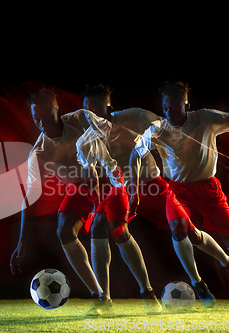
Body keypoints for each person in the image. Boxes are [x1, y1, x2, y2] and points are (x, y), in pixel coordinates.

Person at [129, 81, 229, 309]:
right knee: (178, 230)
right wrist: (134, 191)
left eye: (173, 106)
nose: (168, 111)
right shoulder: (157, 130)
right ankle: (198, 283)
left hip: (209, 189)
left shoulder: (205, 118)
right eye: (165, 107)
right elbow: (135, 154)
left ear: (186, 104)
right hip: (177, 190)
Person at [9, 87, 107, 315]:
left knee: (109, 229)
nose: (41, 121)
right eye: (36, 117)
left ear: (58, 110)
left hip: (108, 180)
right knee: (64, 231)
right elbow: (30, 198)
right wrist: (22, 244)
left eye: (45, 114)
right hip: (81, 189)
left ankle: (145, 289)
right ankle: (99, 295)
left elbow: (110, 135)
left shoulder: (81, 120)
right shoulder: (39, 152)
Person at [76, 84, 163, 315]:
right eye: (87, 109)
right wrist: (93, 193)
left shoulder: (130, 117)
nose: (90, 114)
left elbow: (159, 122)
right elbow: (90, 169)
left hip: (146, 183)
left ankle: (146, 292)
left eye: (95, 109)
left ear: (108, 108)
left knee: (117, 228)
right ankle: (108, 299)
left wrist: (153, 132)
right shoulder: (87, 138)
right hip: (117, 188)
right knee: (102, 227)